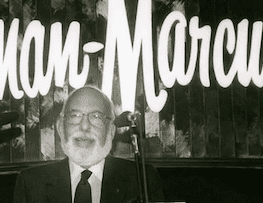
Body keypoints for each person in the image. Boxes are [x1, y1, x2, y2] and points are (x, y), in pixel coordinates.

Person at [13, 86, 164, 203]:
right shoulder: (31, 183)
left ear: (111, 131)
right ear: (60, 127)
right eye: (75, 116)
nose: (84, 126)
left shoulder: (142, 179)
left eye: (96, 116)